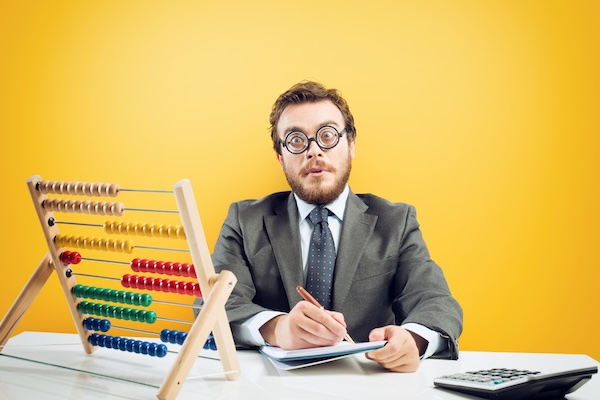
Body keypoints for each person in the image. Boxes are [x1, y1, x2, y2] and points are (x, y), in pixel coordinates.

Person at [197, 81, 463, 372]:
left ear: (351, 145)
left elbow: (436, 301)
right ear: (280, 157)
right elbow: (211, 305)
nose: (314, 151)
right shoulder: (244, 220)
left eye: (327, 135)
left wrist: (414, 340)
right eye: (296, 140)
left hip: (367, 385)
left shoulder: (396, 221)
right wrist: (277, 328)